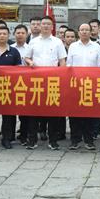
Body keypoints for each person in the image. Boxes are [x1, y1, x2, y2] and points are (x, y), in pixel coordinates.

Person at [25, 16, 67, 150]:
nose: (45, 26)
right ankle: (32, 140)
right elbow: (26, 57)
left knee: (52, 112)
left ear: (52, 27)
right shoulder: (33, 42)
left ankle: (53, 140)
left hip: (52, 81)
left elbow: (62, 61)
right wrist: (30, 62)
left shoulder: (57, 42)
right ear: (40, 26)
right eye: (43, 24)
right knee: (34, 112)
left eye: (48, 24)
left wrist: (62, 76)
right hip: (36, 81)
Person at [67, 23, 100, 150]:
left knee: (89, 114)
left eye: (87, 30)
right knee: (74, 114)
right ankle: (75, 140)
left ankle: (89, 140)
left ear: (91, 32)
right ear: (78, 32)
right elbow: (69, 65)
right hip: (75, 85)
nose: (84, 32)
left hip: (90, 85)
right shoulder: (73, 46)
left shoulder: (96, 46)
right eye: (82, 30)